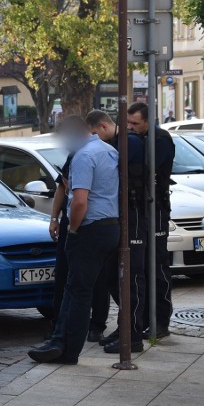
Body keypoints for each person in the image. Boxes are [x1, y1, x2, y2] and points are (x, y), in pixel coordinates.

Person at [28, 116, 120, 365]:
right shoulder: (109, 151)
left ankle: (67, 351)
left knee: (77, 291)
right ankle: (59, 341)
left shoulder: (84, 156)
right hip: (111, 227)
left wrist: (75, 229)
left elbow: (79, 200)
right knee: (78, 289)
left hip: (89, 229)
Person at [86, 110, 148, 353]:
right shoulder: (119, 143)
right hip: (122, 216)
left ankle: (133, 335)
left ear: (102, 127)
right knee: (115, 277)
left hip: (133, 216)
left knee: (131, 278)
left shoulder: (128, 143)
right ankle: (126, 328)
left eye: (94, 135)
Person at [127, 101, 176, 338]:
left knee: (157, 265)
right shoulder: (139, 138)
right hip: (142, 209)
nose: (131, 127)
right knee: (141, 267)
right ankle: (144, 319)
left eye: (135, 123)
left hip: (156, 209)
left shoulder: (160, 139)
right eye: (128, 123)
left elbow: (147, 167)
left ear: (147, 121)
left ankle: (161, 321)